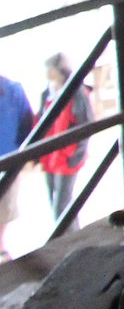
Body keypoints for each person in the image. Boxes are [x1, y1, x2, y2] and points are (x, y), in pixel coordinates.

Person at [37, 54, 92, 220]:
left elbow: (86, 125)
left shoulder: (76, 93)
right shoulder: (47, 93)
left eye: (49, 69)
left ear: (58, 70)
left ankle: (69, 234)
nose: (47, 72)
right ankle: (71, 232)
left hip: (66, 155)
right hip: (49, 154)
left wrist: (76, 155)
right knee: (54, 199)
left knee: (62, 204)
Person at [0, 69, 32, 260]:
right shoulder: (12, 89)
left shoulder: (13, 90)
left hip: (10, 158)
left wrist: (26, 154)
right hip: (11, 156)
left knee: (5, 205)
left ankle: (0, 245)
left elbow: (27, 122)